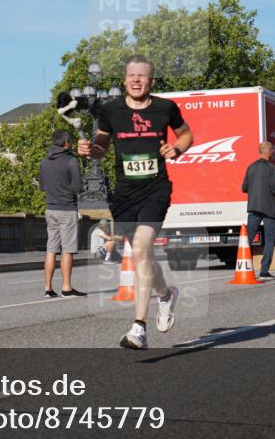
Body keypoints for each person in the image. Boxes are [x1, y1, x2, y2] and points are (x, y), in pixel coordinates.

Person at [77, 55, 193, 349]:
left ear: (151, 81)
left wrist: (176, 149)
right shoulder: (110, 110)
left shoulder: (165, 108)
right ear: (124, 80)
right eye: (131, 76)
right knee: (144, 257)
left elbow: (186, 135)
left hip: (156, 189)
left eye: (142, 76)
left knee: (141, 249)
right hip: (124, 195)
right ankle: (166, 295)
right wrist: (90, 150)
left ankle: (138, 328)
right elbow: (102, 147)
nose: (136, 80)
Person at [37, 130, 86, 298]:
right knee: (67, 249)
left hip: (50, 209)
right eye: (70, 141)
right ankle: (66, 287)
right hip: (67, 209)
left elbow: (42, 186)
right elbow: (78, 187)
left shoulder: (44, 162)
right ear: (66, 144)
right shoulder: (71, 161)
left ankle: (48, 288)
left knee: (51, 249)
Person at [241, 141, 275, 279]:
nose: (273, 152)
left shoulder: (250, 167)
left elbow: (244, 188)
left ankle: (244, 267)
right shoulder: (272, 168)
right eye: (272, 150)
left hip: (253, 207)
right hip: (269, 208)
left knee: (248, 239)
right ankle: (264, 271)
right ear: (268, 151)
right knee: (269, 239)